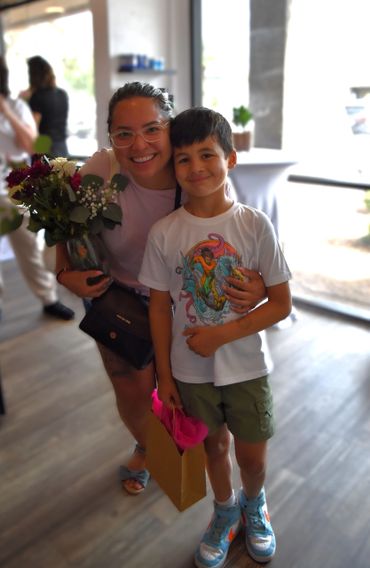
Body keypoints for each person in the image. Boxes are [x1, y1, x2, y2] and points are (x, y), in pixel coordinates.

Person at [55, 82, 267, 496]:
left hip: (184, 303)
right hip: (118, 298)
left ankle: (213, 477)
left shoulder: (198, 172)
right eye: (124, 134)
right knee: (132, 390)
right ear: (111, 137)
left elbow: (239, 231)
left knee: (188, 393)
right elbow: (65, 222)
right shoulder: (102, 169)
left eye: (152, 129)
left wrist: (257, 280)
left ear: (171, 127)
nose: (139, 145)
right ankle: (153, 449)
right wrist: (65, 273)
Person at [138, 107, 292, 566]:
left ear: (230, 159)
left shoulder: (254, 225)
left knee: (252, 455)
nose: (196, 167)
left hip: (247, 366)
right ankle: (224, 511)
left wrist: (220, 335)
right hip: (189, 371)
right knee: (214, 446)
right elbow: (160, 306)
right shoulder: (165, 233)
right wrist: (164, 376)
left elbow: (281, 303)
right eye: (183, 159)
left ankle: (254, 504)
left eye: (207, 154)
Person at [0, 55, 74, 322]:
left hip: (28, 173)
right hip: (59, 153)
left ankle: (50, 297)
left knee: (30, 245)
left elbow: (36, 145)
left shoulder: (22, 103)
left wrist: (6, 111)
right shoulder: (61, 94)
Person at [20, 56, 69, 157]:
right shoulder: (62, 94)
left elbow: (32, 128)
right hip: (62, 147)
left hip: (44, 148)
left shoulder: (37, 96)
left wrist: (22, 101)